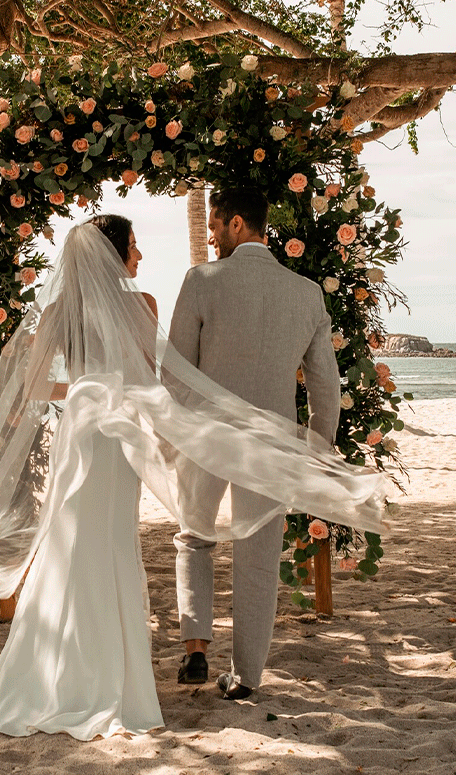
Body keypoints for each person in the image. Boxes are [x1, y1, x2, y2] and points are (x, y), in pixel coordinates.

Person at [0, 212, 388, 740]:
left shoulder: (69, 311)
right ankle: (122, 674)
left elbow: (49, 386)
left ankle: (81, 667)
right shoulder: (142, 306)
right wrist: (118, 397)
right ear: (114, 253)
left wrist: (91, 390)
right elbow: (149, 380)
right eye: (134, 246)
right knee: (96, 542)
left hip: (92, 432)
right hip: (111, 436)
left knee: (90, 543)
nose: (140, 255)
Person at [170, 188, 341, 700]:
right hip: (272, 443)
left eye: (215, 226)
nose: (212, 235)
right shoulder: (307, 293)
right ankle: (246, 677)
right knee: (259, 555)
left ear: (237, 224)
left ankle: (196, 650)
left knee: (194, 537)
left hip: (207, 435)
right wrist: (318, 447)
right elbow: (325, 384)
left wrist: (172, 430)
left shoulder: (201, 281)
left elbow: (177, 371)